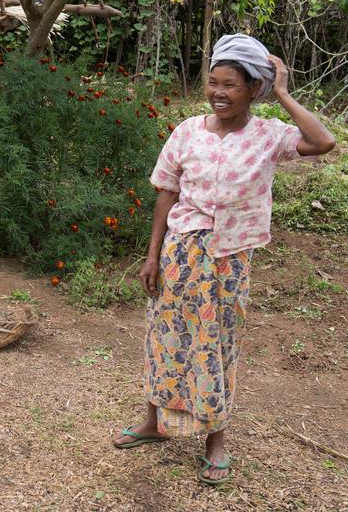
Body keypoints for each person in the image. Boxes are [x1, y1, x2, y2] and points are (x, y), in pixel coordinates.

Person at [111, 34, 336, 485]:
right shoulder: (187, 131)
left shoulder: (269, 135)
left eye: (230, 84)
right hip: (180, 253)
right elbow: (166, 192)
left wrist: (283, 93)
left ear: (254, 88)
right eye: (213, 82)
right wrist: (152, 256)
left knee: (218, 345)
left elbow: (323, 141)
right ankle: (154, 422)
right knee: (164, 337)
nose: (218, 92)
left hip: (229, 261)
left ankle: (216, 440)